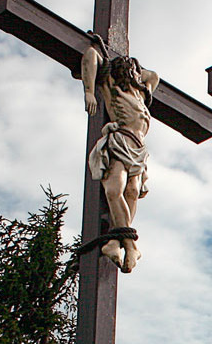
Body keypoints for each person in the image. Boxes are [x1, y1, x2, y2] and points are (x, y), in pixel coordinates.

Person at [82, 38, 159, 272]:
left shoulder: (141, 93)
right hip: (121, 141)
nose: (136, 75)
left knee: (133, 191)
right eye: (131, 71)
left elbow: (153, 76)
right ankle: (131, 244)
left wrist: (136, 69)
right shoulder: (111, 84)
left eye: (136, 72)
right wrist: (89, 91)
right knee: (114, 189)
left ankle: (115, 242)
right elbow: (91, 55)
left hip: (138, 147)